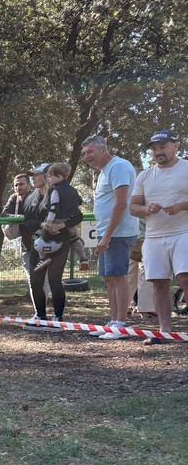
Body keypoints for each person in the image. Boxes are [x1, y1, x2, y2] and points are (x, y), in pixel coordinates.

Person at [130, 129, 188, 345]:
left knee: (185, 278)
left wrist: (181, 206)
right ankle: (165, 332)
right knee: (159, 282)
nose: (158, 152)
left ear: (176, 145)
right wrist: (146, 209)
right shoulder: (145, 175)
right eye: (154, 149)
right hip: (154, 237)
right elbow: (133, 207)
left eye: (163, 147)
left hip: (183, 232)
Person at [81, 135, 141, 340]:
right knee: (109, 277)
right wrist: (101, 235)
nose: (86, 157)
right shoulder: (104, 171)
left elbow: (121, 203)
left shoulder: (118, 167)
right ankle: (113, 321)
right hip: (105, 232)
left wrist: (107, 235)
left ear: (103, 149)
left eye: (90, 152)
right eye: (84, 153)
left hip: (118, 232)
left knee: (118, 275)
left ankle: (121, 324)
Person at [26, 163, 82, 330]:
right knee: (35, 280)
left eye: (37, 174)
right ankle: (40, 316)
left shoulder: (63, 193)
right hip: (38, 243)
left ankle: (57, 317)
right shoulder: (31, 199)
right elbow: (27, 221)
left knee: (54, 280)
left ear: (48, 176)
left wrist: (60, 226)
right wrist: (42, 224)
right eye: (33, 175)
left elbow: (77, 216)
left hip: (59, 243)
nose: (33, 178)